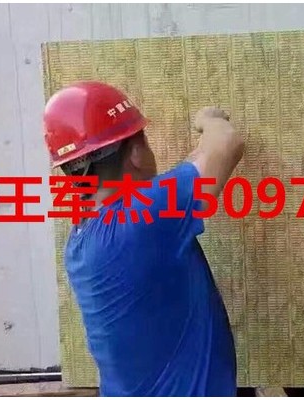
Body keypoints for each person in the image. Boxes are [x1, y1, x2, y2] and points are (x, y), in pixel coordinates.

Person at [43, 81, 245, 397]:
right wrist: (208, 119)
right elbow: (226, 143)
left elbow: (192, 168)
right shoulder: (145, 218)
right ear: (136, 154)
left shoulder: (82, 240)